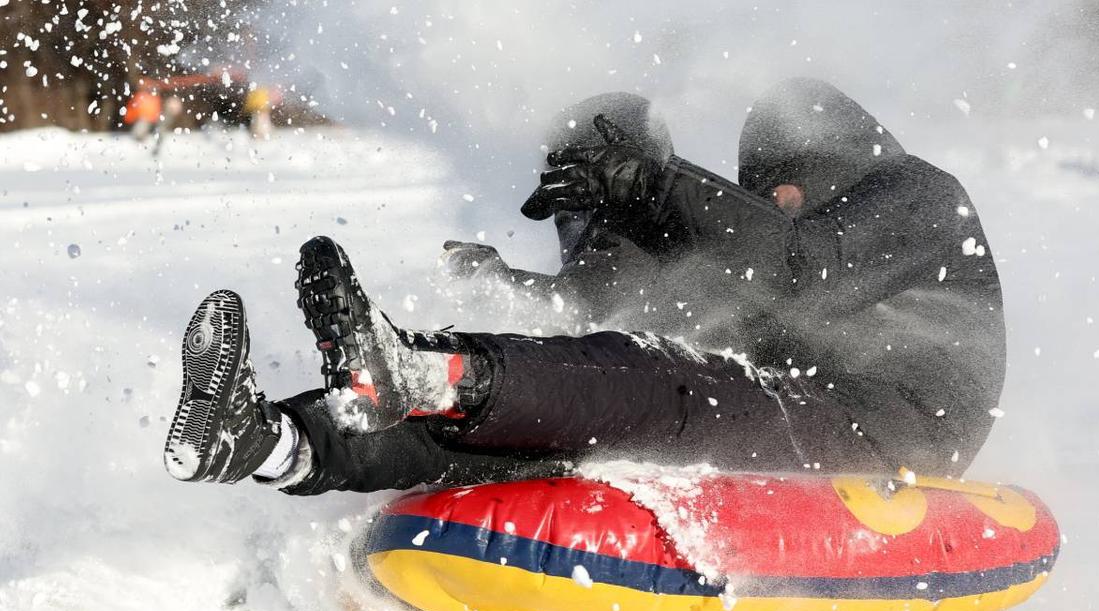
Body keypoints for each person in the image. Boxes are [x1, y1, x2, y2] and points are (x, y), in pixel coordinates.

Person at [163, 79, 1004, 495]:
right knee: (591, 395)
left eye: (787, 186)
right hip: (804, 402)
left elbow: (796, 268)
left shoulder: (919, 196)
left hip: (896, 421)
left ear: (837, 160)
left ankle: (420, 372)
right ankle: (276, 439)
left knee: (667, 391)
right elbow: (623, 318)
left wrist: (658, 183)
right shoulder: (793, 245)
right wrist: (523, 291)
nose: (778, 203)